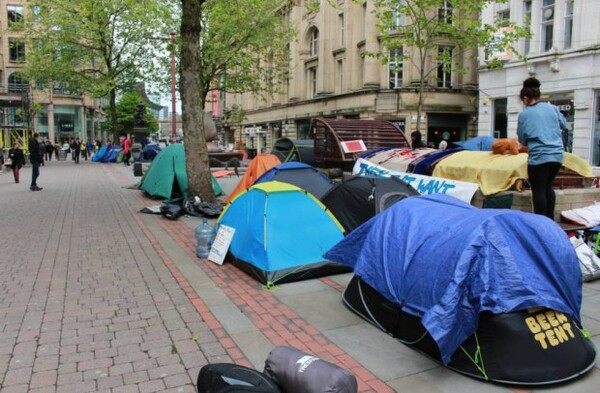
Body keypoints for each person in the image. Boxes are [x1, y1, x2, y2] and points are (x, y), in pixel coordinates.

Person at [517, 77, 567, 220]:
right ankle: (550, 221)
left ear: (526, 97)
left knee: (538, 190)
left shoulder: (525, 115)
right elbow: (563, 124)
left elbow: (522, 140)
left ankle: (541, 224)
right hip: (557, 155)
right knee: (548, 187)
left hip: (539, 157)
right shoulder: (552, 108)